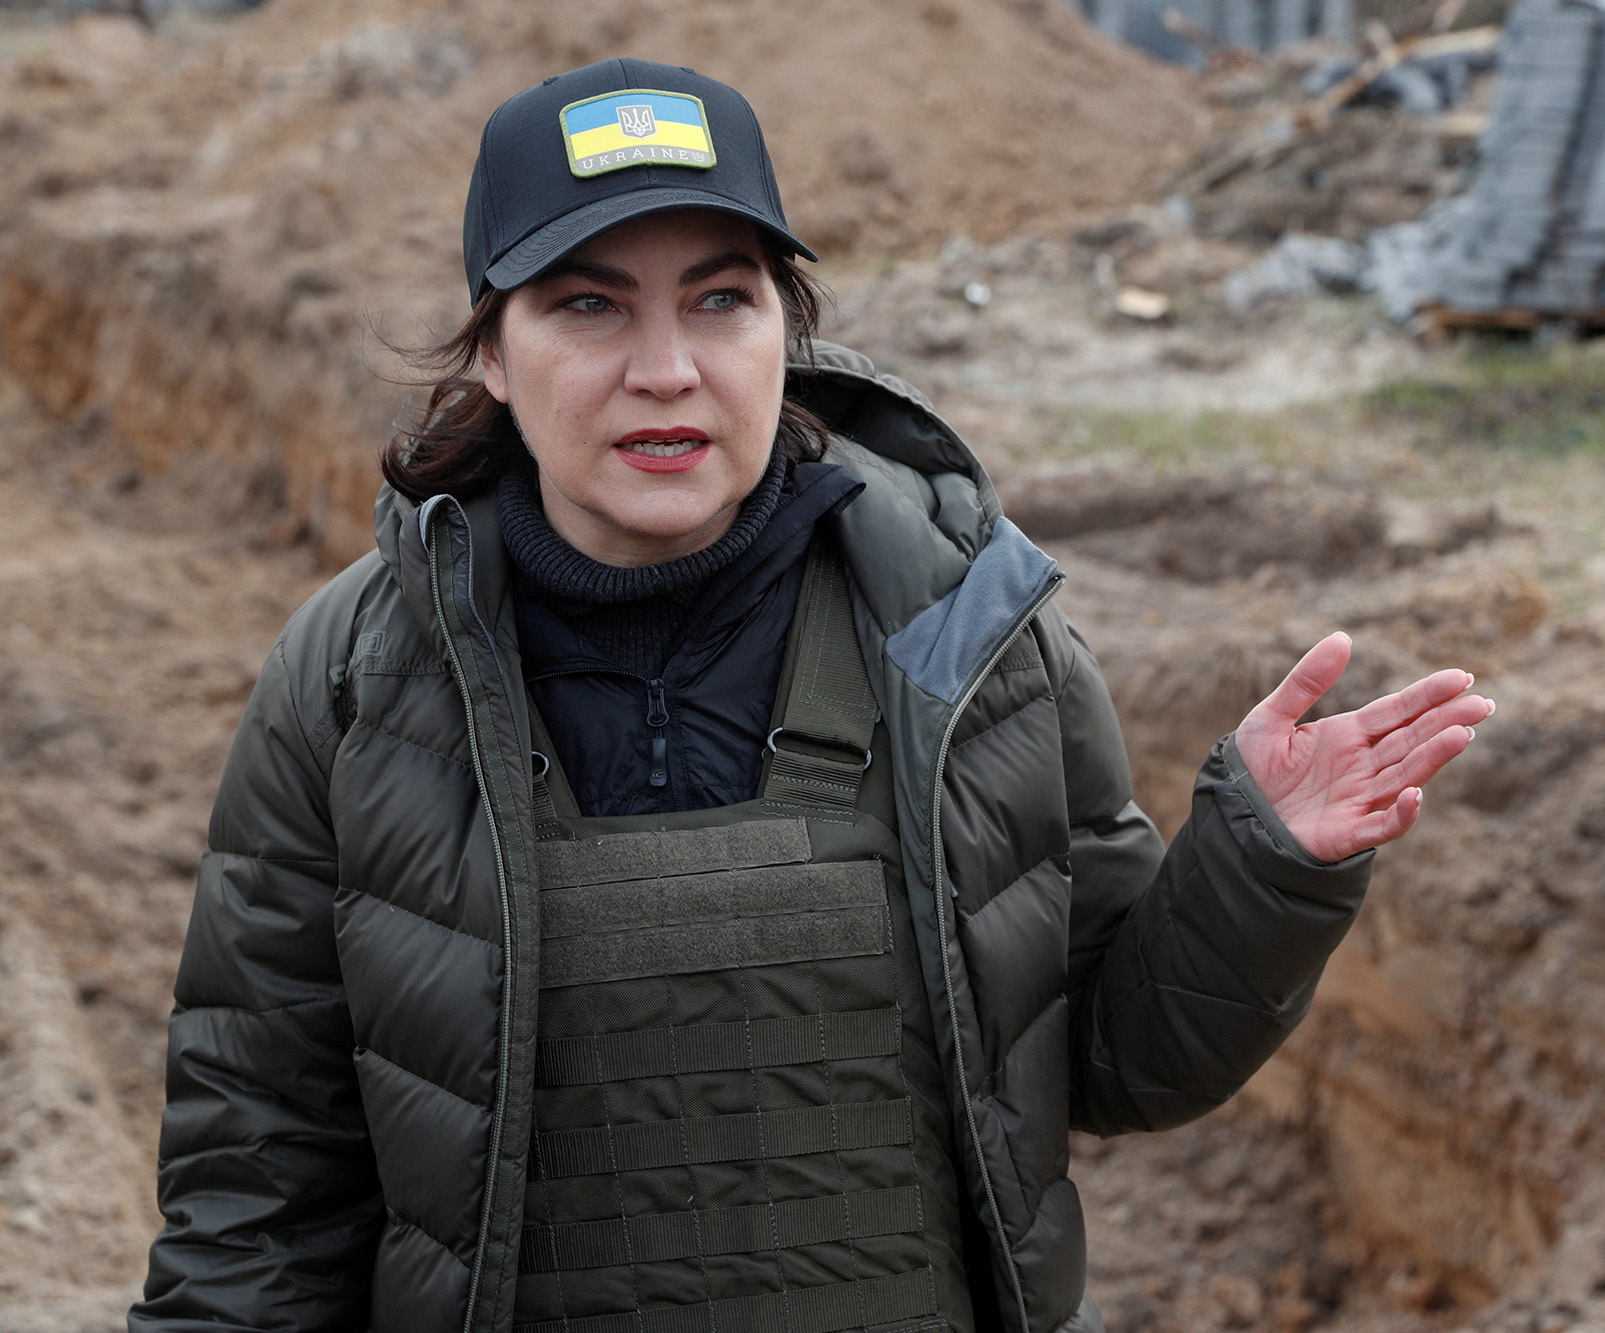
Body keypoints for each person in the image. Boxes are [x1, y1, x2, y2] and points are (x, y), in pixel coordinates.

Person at [130, 58, 1494, 1333]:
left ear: (789, 324)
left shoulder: (961, 637)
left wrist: (1258, 873)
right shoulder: (359, 674)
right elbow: (258, 1188)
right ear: (491, 348)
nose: (665, 368)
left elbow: (1106, 1056)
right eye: (587, 303)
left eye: (720, 298)